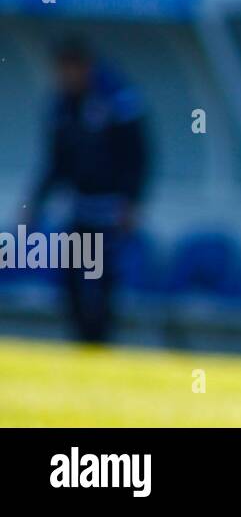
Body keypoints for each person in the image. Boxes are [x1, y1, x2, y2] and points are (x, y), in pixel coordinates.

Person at [25, 39, 149, 343]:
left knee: (102, 278)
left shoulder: (116, 100)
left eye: (71, 69)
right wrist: (34, 204)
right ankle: (81, 340)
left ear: (85, 67)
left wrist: (131, 201)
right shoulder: (62, 106)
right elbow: (55, 162)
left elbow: (138, 155)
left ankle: (99, 341)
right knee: (70, 276)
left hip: (110, 210)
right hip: (80, 208)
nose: (65, 76)